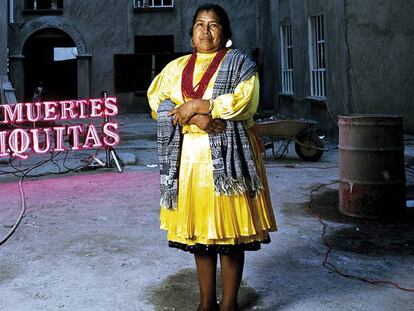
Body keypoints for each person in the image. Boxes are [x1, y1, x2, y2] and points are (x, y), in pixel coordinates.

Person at [147, 4, 277, 311]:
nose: (206, 31)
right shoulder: (176, 67)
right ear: (191, 34)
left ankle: (229, 303)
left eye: (214, 25)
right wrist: (194, 118)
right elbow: (157, 103)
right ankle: (206, 302)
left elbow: (244, 103)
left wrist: (195, 105)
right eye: (200, 25)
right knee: (200, 235)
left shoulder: (240, 64)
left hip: (229, 161)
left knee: (229, 235)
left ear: (226, 33)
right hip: (190, 161)